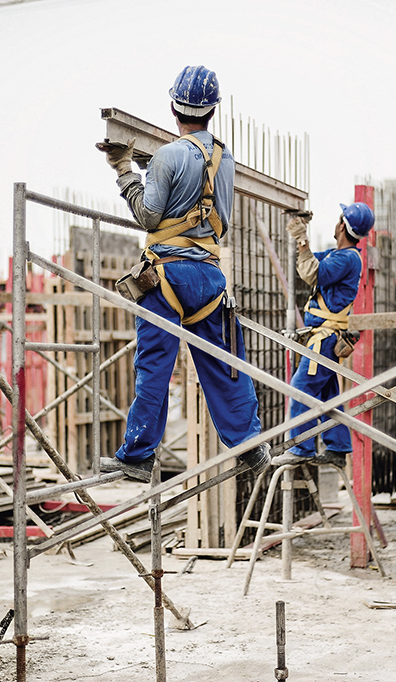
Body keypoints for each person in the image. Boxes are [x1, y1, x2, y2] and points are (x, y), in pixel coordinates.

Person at [95, 65, 269, 482]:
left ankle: (137, 455)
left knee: (155, 365)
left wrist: (124, 171)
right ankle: (249, 446)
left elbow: (148, 215)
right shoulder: (225, 161)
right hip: (209, 277)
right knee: (225, 363)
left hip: (167, 276)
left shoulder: (167, 156)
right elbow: (204, 195)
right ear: (213, 111)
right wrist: (150, 166)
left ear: (173, 106)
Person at [280, 202, 374, 468]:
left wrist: (301, 239)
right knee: (328, 395)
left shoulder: (346, 259)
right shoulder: (340, 256)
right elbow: (307, 262)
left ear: (343, 225)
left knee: (302, 389)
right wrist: (301, 240)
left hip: (325, 339)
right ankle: (338, 445)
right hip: (327, 338)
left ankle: (301, 448)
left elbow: (313, 273)